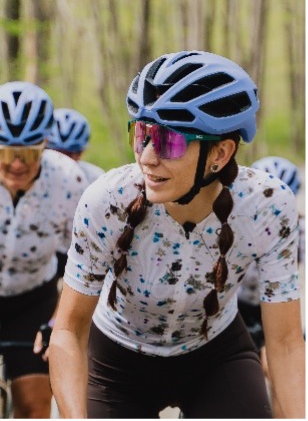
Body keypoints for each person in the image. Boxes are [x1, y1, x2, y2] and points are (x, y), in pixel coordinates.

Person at [49, 51, 305, 418]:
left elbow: (284, 343)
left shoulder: (268, 206)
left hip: (215, 354)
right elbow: (69, 332)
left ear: (220, 152)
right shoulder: (106, 201)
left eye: (169, 142)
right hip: (118, 360)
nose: (148, 157)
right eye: (143, 135)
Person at [0, 81, 88, 418]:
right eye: (7, 153)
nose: (18, 164)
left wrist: (57, 320)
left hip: (33, 297)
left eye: (29, 153)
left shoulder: (68, 179)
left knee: (34, 405)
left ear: (46, 144)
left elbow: (80, 259)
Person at [237, 155, 305, 417]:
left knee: (281, 371)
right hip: (240, 305)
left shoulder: (300, 229)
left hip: (277, 306)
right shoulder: (238, 223)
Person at [47, 107, 105, 184]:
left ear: (80, 153)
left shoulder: (96, 179)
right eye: (56, 154)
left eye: (68, 155)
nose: (62, 161)